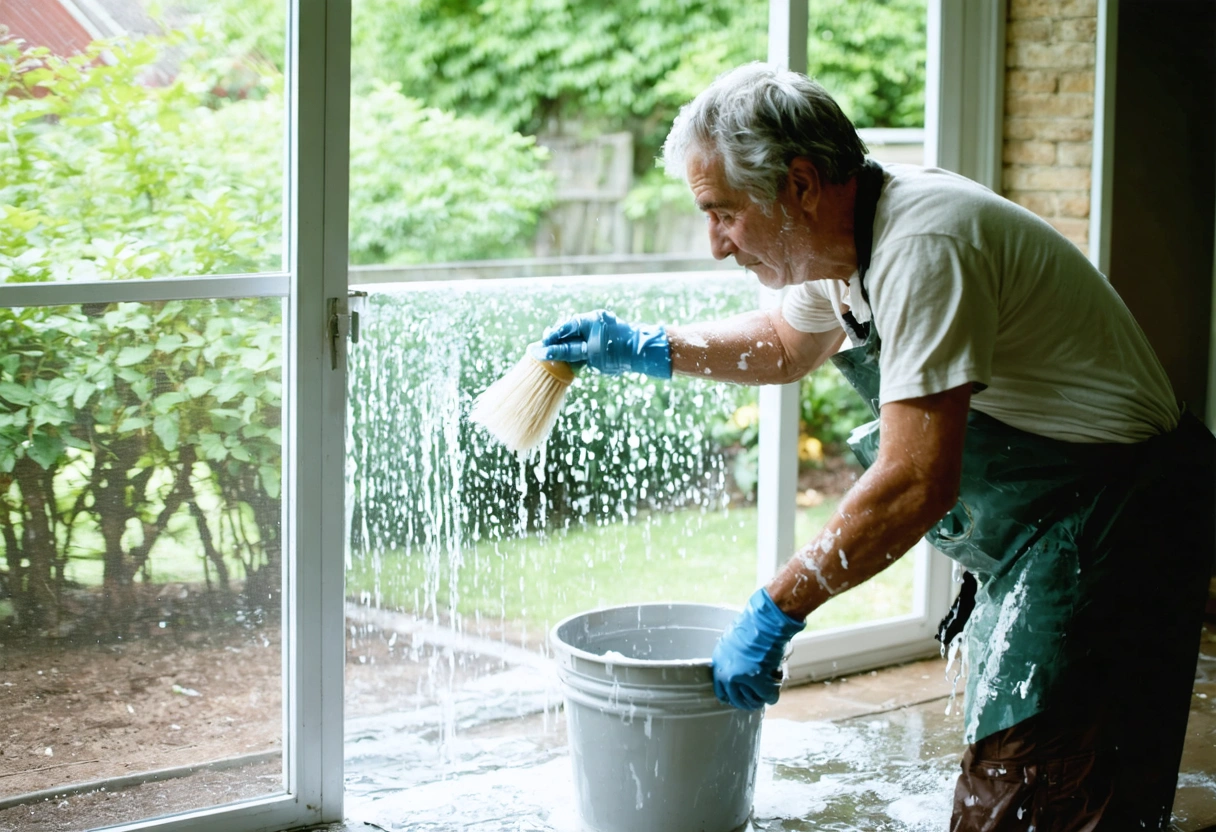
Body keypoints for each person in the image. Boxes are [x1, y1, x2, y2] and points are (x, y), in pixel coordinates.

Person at [534, 63, 1216, 830]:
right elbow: (788, 343)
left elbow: (916, 479)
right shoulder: (833, 247)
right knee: (1031, 760)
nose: (717, 245)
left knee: (1040, 783)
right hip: (1050, 521)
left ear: (799, 184)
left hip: (1118, 521)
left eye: (722, 213)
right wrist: (654, 347)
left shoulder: (924, 244)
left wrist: (775, 608)